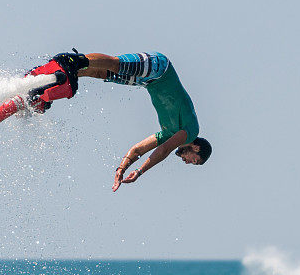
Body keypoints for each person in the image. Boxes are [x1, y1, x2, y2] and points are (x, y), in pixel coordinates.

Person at [24, 51, 211, 192]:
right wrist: (139, 172)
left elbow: (137, 149)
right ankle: (75, 60)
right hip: (160, 69)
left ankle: (52, 81)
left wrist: (122, 168)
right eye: (194, 161)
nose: (188, 163)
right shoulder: (191, 131)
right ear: (196, 148)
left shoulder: (168, 133)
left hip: (148, 82)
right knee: (116, 65)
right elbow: (163, 150)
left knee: (101, 74)